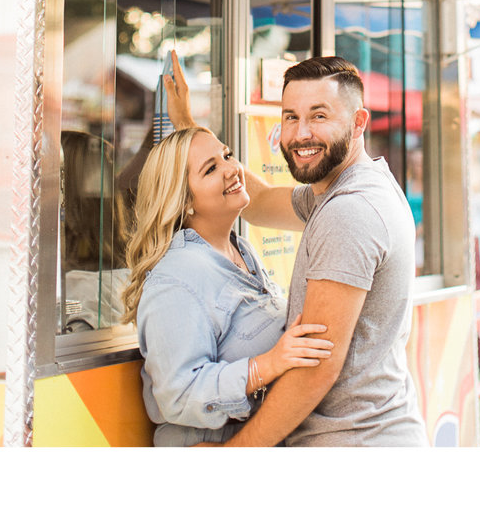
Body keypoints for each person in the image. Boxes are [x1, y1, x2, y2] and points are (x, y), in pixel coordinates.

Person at [163, 52, 422, 446]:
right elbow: (262, 200)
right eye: (290, 117)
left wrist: (236, 453)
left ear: (358, 123)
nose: (301, 134)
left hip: (354, 443)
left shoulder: (348, 212)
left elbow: (315, 367)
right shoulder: (350, 190)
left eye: (319, 116)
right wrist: (190, 130)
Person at [120, 110, 331, 447]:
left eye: (227, 155)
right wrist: (268, 365)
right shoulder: (176, 278)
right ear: (184, 200)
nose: (233, 169)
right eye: (211, 168)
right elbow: (179, 395)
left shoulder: (240, 251)